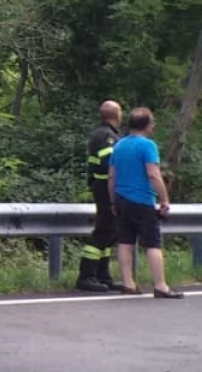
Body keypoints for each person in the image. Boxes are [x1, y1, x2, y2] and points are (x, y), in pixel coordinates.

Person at [111, 106, 180, 298]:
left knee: (125, 242)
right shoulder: (148, 146)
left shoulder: (119, 145)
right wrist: (164, 199)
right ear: (147, 125)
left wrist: (112, 202)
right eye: (152, 123)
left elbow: (111, 177)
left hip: (121, 199)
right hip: (142, 200)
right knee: (152, 243)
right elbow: (153, 174)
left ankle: (128, 283)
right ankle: (160, 285)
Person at [77, 100, 125, 292]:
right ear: (115, 115)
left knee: (109, 233)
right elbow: (109, 164)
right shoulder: (107, 137)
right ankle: (86, 276)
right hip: (106, 188)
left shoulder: (104, 134)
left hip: (103, 187)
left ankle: (102, 276)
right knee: (103, 232)